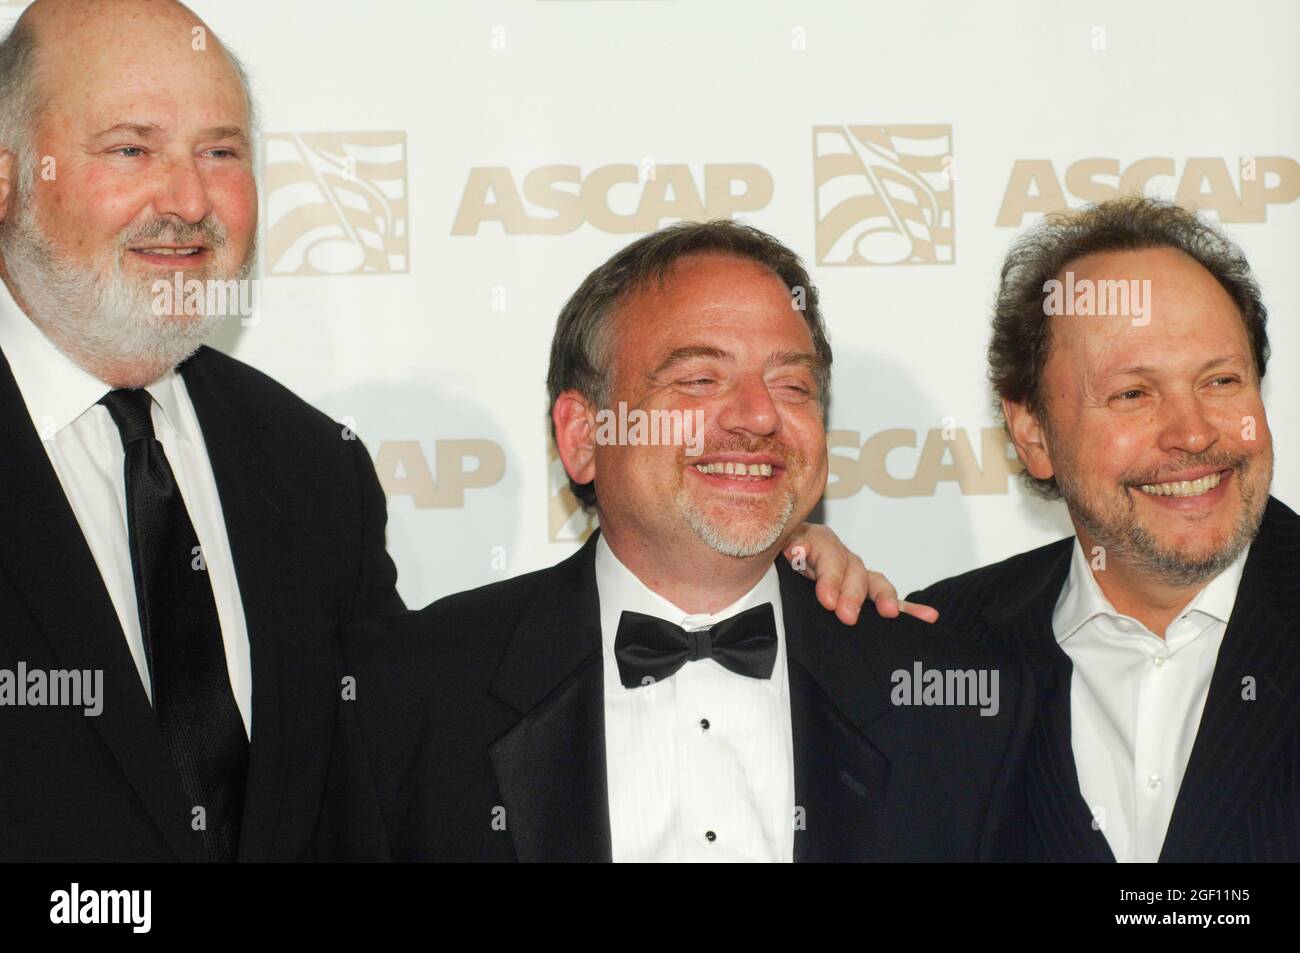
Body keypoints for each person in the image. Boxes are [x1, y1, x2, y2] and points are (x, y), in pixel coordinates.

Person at [0, 0, 900, 862]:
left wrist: (759, 547)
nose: (190, 199)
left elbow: (375, 788)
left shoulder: (311, 470)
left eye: (223, 152)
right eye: (131, 148)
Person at [317, 220, 1036, 862]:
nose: (757, 416)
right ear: (583, 436)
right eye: (699, 378)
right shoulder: (407, 696)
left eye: (792, 386)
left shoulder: (955, 703)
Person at [910, 196, 1299, 862]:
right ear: (1033, 433)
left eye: (1222, 379)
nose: (1193, 432)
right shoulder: (935, 651)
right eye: (1133, 393)